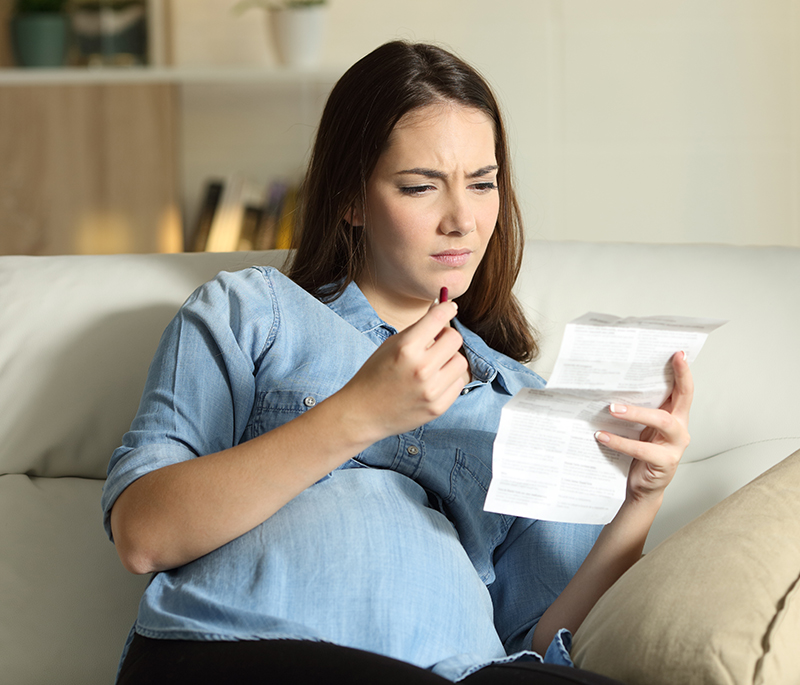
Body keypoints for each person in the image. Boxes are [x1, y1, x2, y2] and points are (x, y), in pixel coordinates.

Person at [102, 41, 692, 685]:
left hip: (460, 671)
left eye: (483, 184)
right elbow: (144, 533)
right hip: (245, 646)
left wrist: (639, 502)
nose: (462, 220)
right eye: (419, 187)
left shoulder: (523, 398)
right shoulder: (253, 311)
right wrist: (359, 414)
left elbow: (541, 636)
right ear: (352, 200)